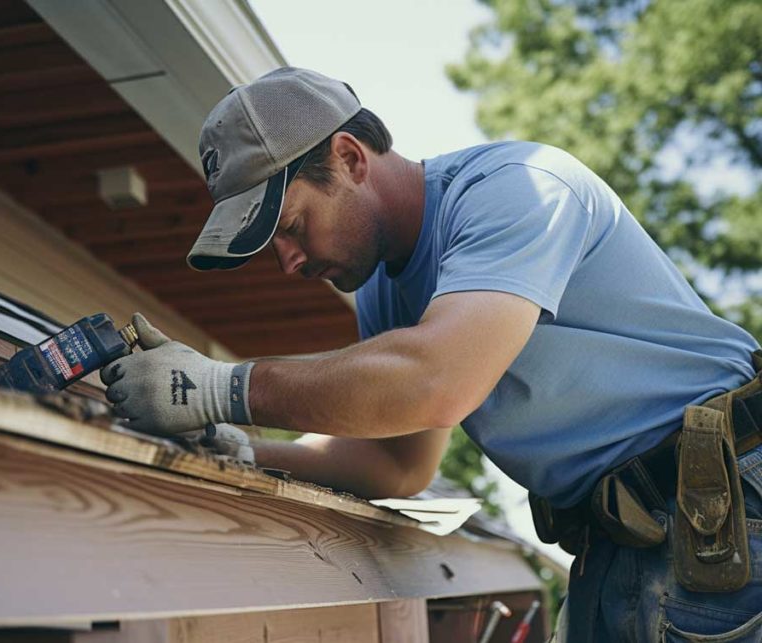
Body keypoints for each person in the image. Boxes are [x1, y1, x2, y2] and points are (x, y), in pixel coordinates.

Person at [99, 67, 762, 641]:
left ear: (351, 158)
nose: (290, 261)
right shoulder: (384, 290)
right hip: (620, 541)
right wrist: (247, 448)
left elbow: (436, 379)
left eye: (292, 226)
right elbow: (396, 460)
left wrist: (218, 386)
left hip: (726, 511)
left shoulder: (519, 188)